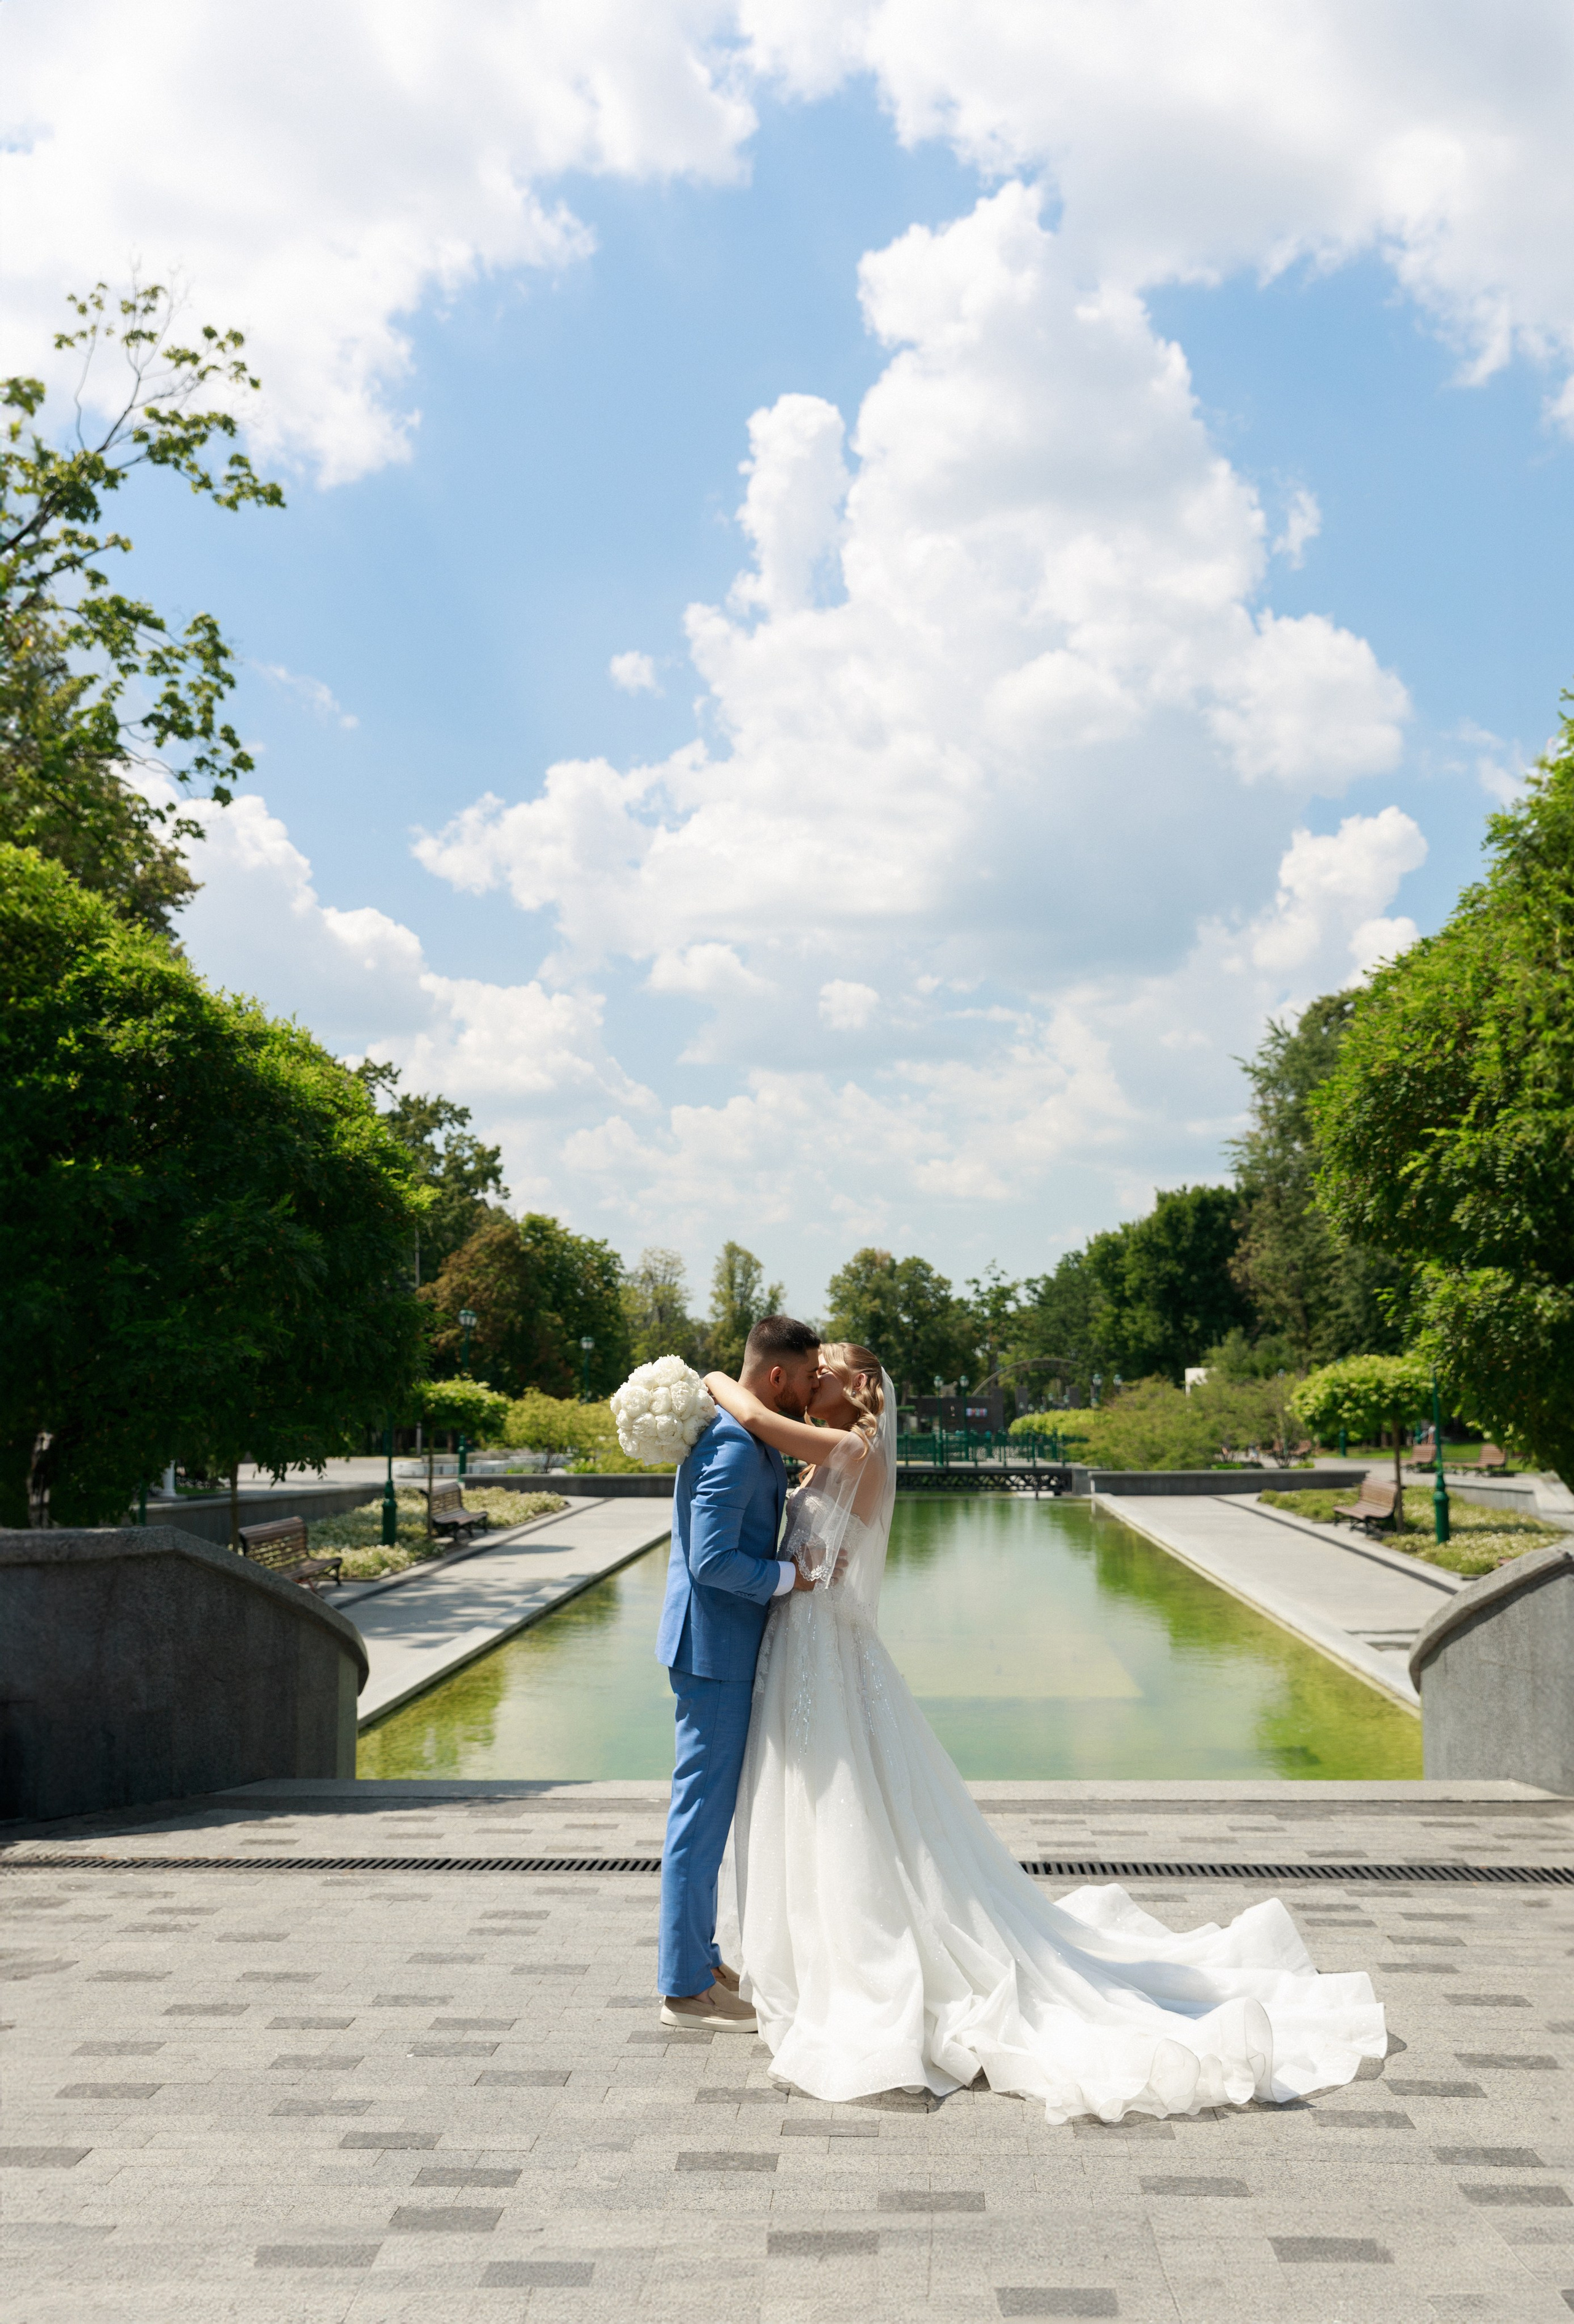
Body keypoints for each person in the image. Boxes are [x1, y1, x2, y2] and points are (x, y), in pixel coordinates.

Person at [702, 1344, 1388, 2124]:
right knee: (828, 1804)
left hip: (825, 1650)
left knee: (848, 1805)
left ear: (857, 1388)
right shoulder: (822, 1462)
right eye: (809, 1370)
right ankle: (817, 1949)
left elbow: (753, 1412)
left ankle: (865, 1965)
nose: (810, 1381)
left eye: (823, 1372)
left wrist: (707, 1381)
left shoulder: (854, 1448)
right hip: (804, 1650)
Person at [654, 1313, 823, 2032]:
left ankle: (699, 1956)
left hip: (719, 1648)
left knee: (708, 1815)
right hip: (714, 1652)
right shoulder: (731, 1442)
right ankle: (685, 1987)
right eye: (810, 1375)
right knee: (699, 1820)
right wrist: (790, 1576)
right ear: (777, 1375)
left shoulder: (746, 1429)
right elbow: (712, 1561)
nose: (815, 1387)